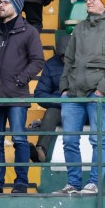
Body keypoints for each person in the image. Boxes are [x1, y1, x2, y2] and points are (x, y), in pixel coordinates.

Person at [57, 0, 105, 195]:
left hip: (97, 94)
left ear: (104, 2)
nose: (88, 1)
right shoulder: (80, 28)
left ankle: (95, 183)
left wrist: (102, 89)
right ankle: (73, 183)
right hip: (73, 93)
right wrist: (64, 88)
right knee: (69, 140)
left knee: (98, 139)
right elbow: (68, 60)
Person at [0, 0, 44, 194]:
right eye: (0, 2)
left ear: (17, 6)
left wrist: (20, 80)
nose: (1, 5)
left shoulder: (29, 32)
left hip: (16, 96)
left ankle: (21, 183)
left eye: (5, 2)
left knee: (19, 140)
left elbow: (38, 60)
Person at [30, 34, 70, 163]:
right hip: (60, 107)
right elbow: (40, 94)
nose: (64, 59)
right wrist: (61, 101)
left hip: (81, 107)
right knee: (51, 113)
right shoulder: (51, 64)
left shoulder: (85, 62)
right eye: (61, 56)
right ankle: (40, 152)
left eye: (67, 55)